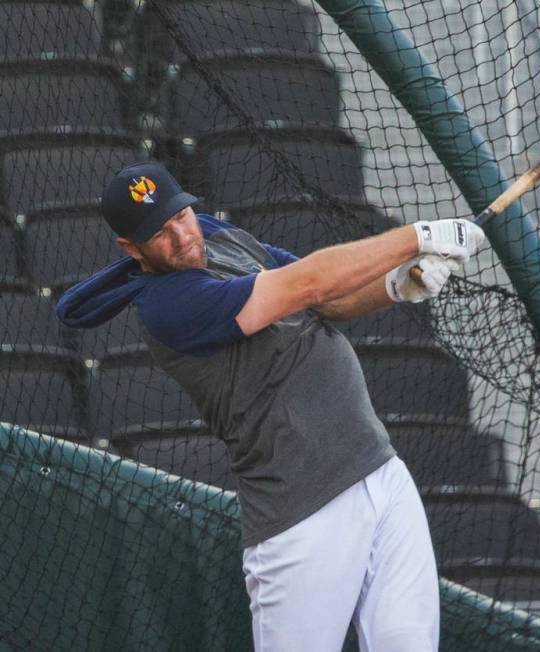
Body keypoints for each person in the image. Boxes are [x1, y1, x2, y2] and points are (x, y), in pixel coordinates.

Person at [56, 160, 485, 652]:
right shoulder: (167, 304)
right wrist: (420, 234)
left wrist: (397, 285)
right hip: (301, 510)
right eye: (159, 232)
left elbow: (328, 303)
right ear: (131, 249)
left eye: (180, 216)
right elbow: (309, 285)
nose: (181, 235)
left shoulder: (223, 241)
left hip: (380, 472)